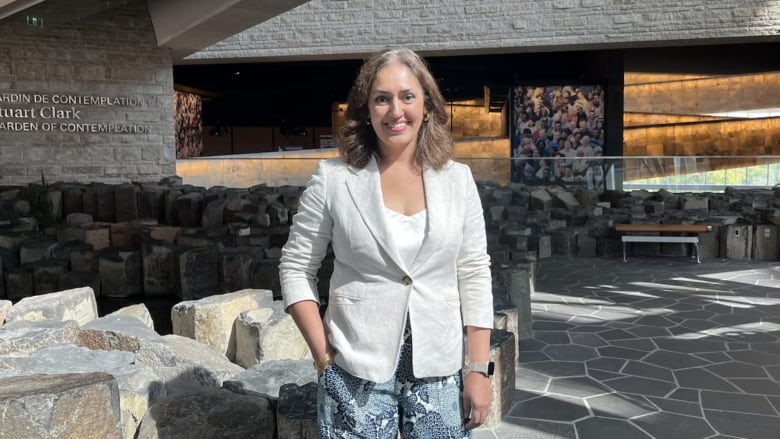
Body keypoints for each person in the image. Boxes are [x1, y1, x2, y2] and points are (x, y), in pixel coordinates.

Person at [279, 48, 494, 438]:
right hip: (354, 371)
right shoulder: (333, 179)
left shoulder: (458, 180)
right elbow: (295, 268)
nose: (396, 111)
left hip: (438, 374)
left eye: (407, 96)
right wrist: (323, 357)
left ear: (427, 105)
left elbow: (474, 272)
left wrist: (477, 369)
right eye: (382, 98)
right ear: (366, 109)